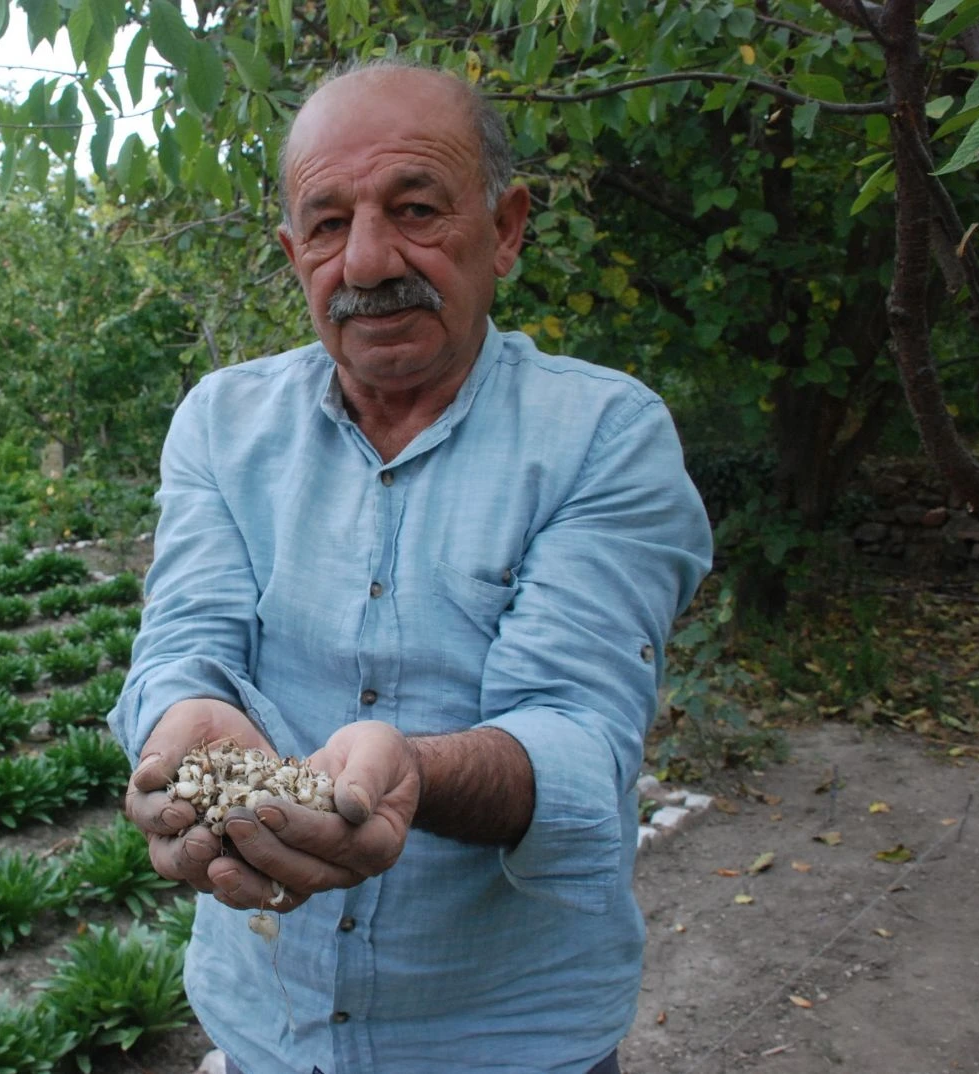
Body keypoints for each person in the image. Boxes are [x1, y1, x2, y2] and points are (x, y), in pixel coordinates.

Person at [108, 58, 713, 1074]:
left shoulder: (603, 437)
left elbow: (576, 734)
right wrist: (180, 721)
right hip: (268, 1030)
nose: (367, 260)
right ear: (293, 253)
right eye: (327, 224)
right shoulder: (221, 422)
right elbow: (183, 640)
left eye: (416, 209)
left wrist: (412, 776)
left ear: (506, 228)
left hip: (508, 1044)